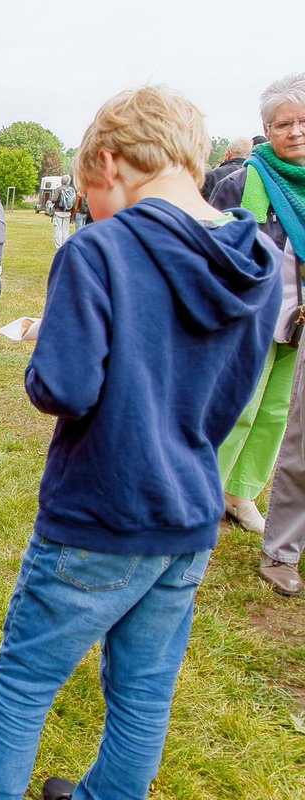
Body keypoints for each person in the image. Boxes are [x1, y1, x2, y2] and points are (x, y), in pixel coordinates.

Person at [0, 85, 281, 800]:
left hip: (98, 511)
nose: (89, 204)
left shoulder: (101, 251)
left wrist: (46, 346)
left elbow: (62, 388)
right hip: (188, 513)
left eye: (90, 187)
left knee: (26, 678)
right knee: (144, 692)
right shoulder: (262, 265)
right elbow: (233, 390)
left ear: (111, 162)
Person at [210, 72, 305, 596]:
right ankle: (204, 498)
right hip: (252, 320)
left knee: (277, 415)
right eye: (283, 123)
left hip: (300, 323)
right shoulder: (242, 181)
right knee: (239, 407)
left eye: (302, 122)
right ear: (266, 130)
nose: (294, 132)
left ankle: (241, 493)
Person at [51, 174, 75, 248]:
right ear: (69, 182)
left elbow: (54, 199)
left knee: (58, 230)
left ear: (61, 181)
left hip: (58, 212)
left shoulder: (58, 189)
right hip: (67, 212)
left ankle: (58, 246)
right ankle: (65, 246)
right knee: (65, 231)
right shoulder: (72, 190)